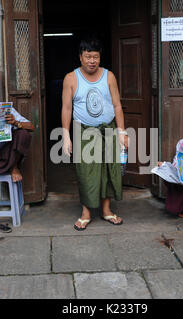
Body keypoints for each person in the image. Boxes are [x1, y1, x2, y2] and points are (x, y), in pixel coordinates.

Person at [62, 38, 129, 231]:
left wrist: (122, 131)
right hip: (83, 131)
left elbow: (117, 105)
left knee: (109, 170)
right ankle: (86, 213)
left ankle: (106, 211)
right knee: (86, 172)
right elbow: (66, 108)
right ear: (81, 57)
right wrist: (66, 135)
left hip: (108, 129)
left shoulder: (109, 76)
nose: (92, 60)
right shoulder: (71, 78)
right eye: (88, 56)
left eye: (96, 57)